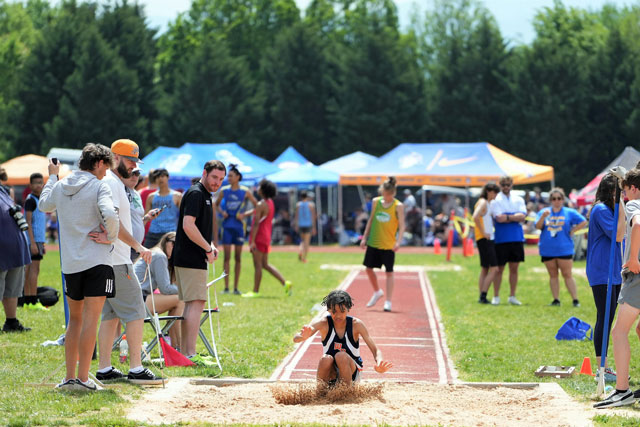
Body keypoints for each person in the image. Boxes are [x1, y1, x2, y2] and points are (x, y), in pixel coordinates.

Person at [38, 143, 119, 391]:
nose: (106, 173)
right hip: (97, 260)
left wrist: (52, 175)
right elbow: (111, 215)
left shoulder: (62, 185)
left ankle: (70, 378)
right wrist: (111, 237)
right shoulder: (99, 185)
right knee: (90, 321)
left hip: (71, 264)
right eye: (106, 167)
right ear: (99, 163)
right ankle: (84, 379)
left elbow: (44, 205)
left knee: (74, 321)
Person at [94, 139, 161, 385]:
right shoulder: (112, 183)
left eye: (135, 161)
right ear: (116, 158)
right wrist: (138, 246)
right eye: (130, 160)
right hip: (118, 261)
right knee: (135, 311)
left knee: (110, 314)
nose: (134, 166)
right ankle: (135, 368)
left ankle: (104, 368)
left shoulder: (115, 183)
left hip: (112, 259)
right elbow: (112, 220)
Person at [594, 168, 640, 409]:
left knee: (619, 332)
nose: (623, 196)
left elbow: (635, 226)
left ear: (632, 188)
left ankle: (622, 390)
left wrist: (633, 258)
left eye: (624, 191)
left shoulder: (634, 204)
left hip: (637, 275)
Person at [173, 160, 225, 362]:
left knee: (193, 303)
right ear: (205, 173)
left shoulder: (204, 195)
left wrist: (210, 245)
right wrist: (206, 247)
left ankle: (187, 352)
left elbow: (199, 229)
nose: (217, 182)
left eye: (221, 179)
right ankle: (189, 353)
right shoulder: (196, 194)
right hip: (190, 257)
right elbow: (188, 226)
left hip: (191, 257)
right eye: (214, 177)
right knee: (196, 303)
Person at [293, 290, 392, 387]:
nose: (338, 315)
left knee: (341, 356)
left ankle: (346, 393)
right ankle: (321, 393)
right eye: (334, 312)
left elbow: (375, 350)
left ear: (348, 309)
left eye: (342, 311)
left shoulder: (356, 324)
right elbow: (295, 338)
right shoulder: (323, 323)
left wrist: (379, 363)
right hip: (331, 372)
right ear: (328, 310)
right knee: (325, 359)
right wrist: (302, 337)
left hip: (352, 372)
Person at [587, 174, 625, 383]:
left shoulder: (611, 210)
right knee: (604, 317)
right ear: (611, 192)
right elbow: (618, 235)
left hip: (613, 270)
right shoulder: (601, 209)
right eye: (619, 191)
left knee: (609, 317)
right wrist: (621, 209)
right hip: (601, 270)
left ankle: (605, 366)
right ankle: (602, 367)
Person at [535, 188, 587, 306]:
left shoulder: (569, 212)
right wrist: (543, 217)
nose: (556, 201)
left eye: (559, 198)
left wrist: (573, 230)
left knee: (567, 274)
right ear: (550, 200)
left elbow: (583, 221)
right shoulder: (544, 212)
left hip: (564, 248)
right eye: (554, 199)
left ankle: (575, 300)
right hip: (547, 249)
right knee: (553, 275)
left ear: (563, 199)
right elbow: (538, 227)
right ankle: (556, 300)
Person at [359, 176, 405, 312]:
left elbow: (402, 226)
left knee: (389, 272)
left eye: (389, 194)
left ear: (393, 193)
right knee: (368, 269)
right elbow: (371, 219)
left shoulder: (398, 206)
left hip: (388, 244)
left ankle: (388, 301)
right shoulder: (376, 202)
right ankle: (377, 291)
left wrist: (398, 241)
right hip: (374, 241)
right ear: (381, 191)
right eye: (384, 194)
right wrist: (364, 237)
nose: (387, 197)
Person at [243, 179, 292, 298]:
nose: (257, 188)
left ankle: (255, 291)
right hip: (266, 236)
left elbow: (255, 224)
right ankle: (285, 283)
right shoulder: (269, 202)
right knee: (265, 265)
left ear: (263, 190)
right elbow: (257, 212)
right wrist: (245, 215)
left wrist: (252, 241)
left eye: (259, 187)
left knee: (258, 265)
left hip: (258, 237)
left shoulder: (261, 204)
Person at [134, 231, 183, 349]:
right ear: (166, 242)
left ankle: (175, 345)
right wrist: (188, 290)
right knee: (181, 300)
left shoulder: (157, 254)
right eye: (174, 244)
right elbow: (165, 289)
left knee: (180, 300)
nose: (176, 248)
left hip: (135, 298)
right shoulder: (160, 256)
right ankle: (178, 347)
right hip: (136, 300)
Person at [215, 164, 257, 294]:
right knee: (226, 257)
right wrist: (222, 212)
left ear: (238, 177)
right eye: (228, 176)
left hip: (239, 227)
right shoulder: (224, 190)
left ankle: (236, 288)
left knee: (238, 258)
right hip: (227, 226)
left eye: (231, 176)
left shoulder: (245, 191)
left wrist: (245, 214)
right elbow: (216, 205)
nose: (229, 178)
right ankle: (226, 288)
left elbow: (258, 206)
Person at [489, 176, 526, 306]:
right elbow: (499, 218)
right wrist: (514, 216)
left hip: (516, 238)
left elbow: (522, 216)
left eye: (508, 184)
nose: (506, 187)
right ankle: (496, 295)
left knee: (514, 268)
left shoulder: (518, 199)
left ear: (511, 185)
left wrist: (507, 217)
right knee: (499, 269)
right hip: (501, 239)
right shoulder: (495, 200)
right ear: (500, 185)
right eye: (503, 184)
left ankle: (512, 295)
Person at [123, 167, 161, 262]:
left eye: (137, 173)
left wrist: (147, 217)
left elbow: (136, 220)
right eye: (131, 173)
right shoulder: (120, 191)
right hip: (125, 247)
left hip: (135, 247)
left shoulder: (136, 194)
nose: (134, 176)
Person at [23, 173, 48, 311]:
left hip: (38, 240)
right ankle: (32, 300)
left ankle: (28, 299)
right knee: (33, 270)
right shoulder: (31, 200)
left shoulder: (40, 200)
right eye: (36, 183)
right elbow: (28, 222)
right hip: (33, 240)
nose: (39, 185)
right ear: (30, 185)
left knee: (31, 270)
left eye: (41, 182)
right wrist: (32, 243)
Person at [472, 182, 500, 304]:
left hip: (483, 238)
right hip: (485, 239)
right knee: (494, 269)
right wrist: (484, 233)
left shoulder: (486, 203)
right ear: (489, 191)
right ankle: (483, 294)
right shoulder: (483, 202)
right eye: (495, 193)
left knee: (485, 268)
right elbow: (475, 216)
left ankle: (481, 295)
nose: (495, 196)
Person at [144, 168, 182, 248]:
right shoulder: (151, 197)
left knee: (172, 259)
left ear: (167, 177)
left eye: (162, 176)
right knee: (146, 257)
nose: (160, 179)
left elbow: (183, 216)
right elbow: (146, 217)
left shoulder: (177, 196)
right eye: (157, 177)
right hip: (153, 233)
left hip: (171, 233)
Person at [294, 190, 317, 263]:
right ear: (307, 196)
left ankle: (300, 250)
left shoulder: (298, 205)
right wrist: (314, 227)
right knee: (307, 242)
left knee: (302, 241)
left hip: (301, 225)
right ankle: (304, 258)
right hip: (308, 225)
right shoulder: (311, 205)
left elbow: (296, 216)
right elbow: (313, 217)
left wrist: (296, 225)